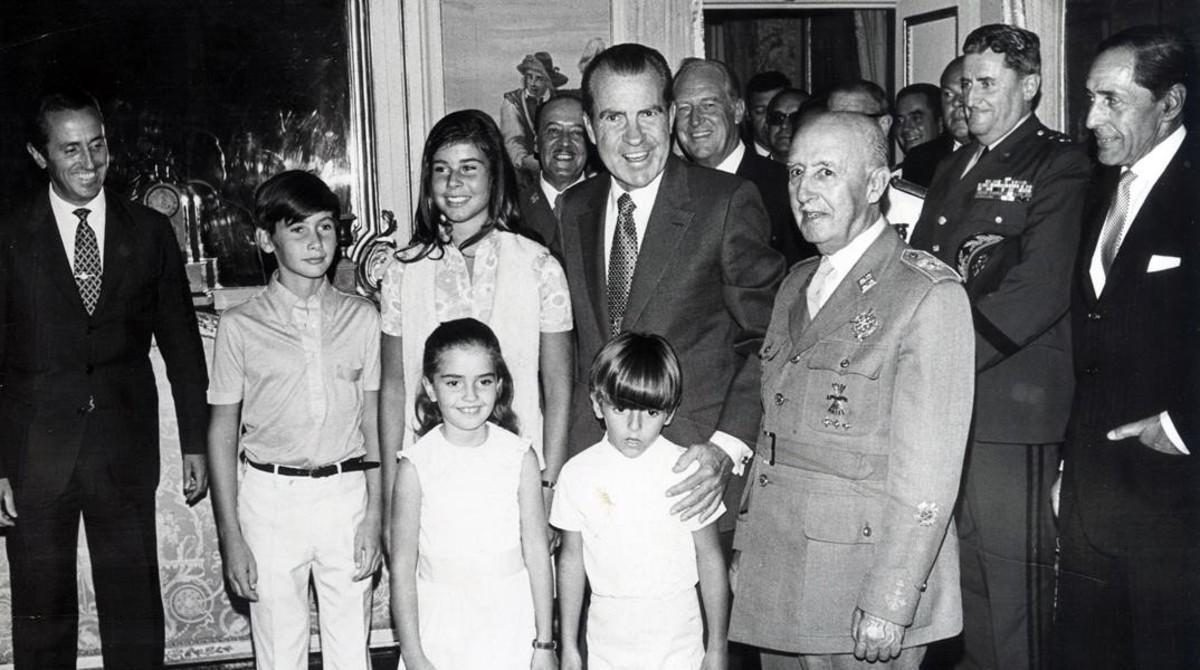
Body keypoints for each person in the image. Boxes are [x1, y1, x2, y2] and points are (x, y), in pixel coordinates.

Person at [729, 110, 974, 669]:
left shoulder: (924, 295)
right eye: (794, 173)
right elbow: (774, 435)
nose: (803, 192)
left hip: (858, 582)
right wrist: (748, 546)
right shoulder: (795, 284)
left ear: (874, 184)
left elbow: (929, 475)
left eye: (825, 173)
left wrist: (892, 598)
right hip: (779, 570)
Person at [0, 89, 208, 669]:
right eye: (70, 149)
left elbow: (184, 349)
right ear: (39, 156)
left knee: (135, 613)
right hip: (36, 455)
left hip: (123, 450)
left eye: (98, 145)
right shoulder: (9, 235)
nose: (88, 162)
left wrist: (194, 441)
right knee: (42, 614)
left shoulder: (148, 231)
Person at [908, 24, 1092, 670]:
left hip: (1011, 410)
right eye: (965, 83)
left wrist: (939, 357)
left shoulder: (1059, 164)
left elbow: (1037, 292)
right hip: (950, 407)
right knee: (968, 584)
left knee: (1018, 590)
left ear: (1031, 86)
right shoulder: (956, 162)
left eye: (988, 84)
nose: (969, 97)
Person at [558, 43, 785, 541]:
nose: (634, 136)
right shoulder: (574, 208)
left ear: (669, 116)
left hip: (693, 476)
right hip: (597, 480)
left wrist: (727, 447)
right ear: (592, 129)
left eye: (649, 113)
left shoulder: (724, 203)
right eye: (614, 117)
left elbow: (770, 337)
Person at [1056, 25, 1199, 669]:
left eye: (1112, 101)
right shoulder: (1099, 189)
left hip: (1177, 493)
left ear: (1169, 103)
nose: (1091, 118)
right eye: (1089, 98)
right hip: (1095, 489)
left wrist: (1182, 427)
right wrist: (1069, 465)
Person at [206, 170, 382, 670]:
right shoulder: (240, 326)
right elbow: (222, 432)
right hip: (270, 501)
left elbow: (373, 421)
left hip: (345, 495)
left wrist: (374, 514)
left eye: (325, 227)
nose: (315, 242)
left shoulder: (363, 318)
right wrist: (231, 535)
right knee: (280, 651)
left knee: (351, 648)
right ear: (267, 239)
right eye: (298, 229)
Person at [376, 110, 573, 512]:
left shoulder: (538, 266)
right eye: (441, 170)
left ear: (494, 176)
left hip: (516, 473)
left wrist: (549, 481)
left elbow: (557, 385)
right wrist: (390, 491)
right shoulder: (402, 270)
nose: (454, 183)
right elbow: (394, 386)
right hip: (429, 477)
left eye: (469, 168)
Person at [553, 332, 728, 669]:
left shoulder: (687, 471)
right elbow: (571, 562)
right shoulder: (577, 473)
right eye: (620, 408)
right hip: (608, 640)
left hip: (678, 640)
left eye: (650, 411)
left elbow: (709, 557)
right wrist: (571, 648)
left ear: (671, 412)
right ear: (596, 404)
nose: (634, 426)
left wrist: (717, 647)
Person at [389, 318, 555, 670]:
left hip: (509, 620)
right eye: (453, 382)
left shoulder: (519, 456)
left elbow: (538, 553)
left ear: (499, 385)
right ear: (431, 388)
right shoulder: (416, 465)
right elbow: (403, 569)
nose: (470, 396)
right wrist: (414, 654)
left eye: (483, 381)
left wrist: (543, 643)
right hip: (441, 625)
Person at [672, 58, 813, 264]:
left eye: (709, 105)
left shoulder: (786, 187)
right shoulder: (670, 189)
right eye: (684, 108)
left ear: (737, 111)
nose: (695, 120)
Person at [827, 80, 924, 243]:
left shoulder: (917, 205)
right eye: (833, 120)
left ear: (883, 125)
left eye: (853, 120)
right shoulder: (816, 196)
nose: (840, 130)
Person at [517, 93, 590, 255]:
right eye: (553, 131)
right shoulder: (510, 210)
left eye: (577, 132)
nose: (565, 142)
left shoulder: (610, 205)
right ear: (536, 143)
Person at [501, 52, 570, 183]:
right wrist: (525, 160)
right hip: (524, 175)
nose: (532, 83)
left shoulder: (558, 101)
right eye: (529, 77)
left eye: (539, 78)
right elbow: (513, 141)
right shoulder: (512, 102)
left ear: (548, 81)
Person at [902, 58, 969, 187]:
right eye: (948, 94)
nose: (956, 102)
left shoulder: (1008, 152)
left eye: (965, 91)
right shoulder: (920, 159)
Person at [745, 70, 791, 158]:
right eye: (760, 111)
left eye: (777, 112)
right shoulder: (738, 158)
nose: (769, 119)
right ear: (747, 114)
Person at [895, 83, 944, 153]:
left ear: (940, 123)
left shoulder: (960, 163)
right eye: (899, 121)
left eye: (916, 118)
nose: (905, 128)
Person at [765, 88, 810, 163]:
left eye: (795, 118)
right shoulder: (750, 172)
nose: (784, 125)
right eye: (777, 117)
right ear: (767, 126)